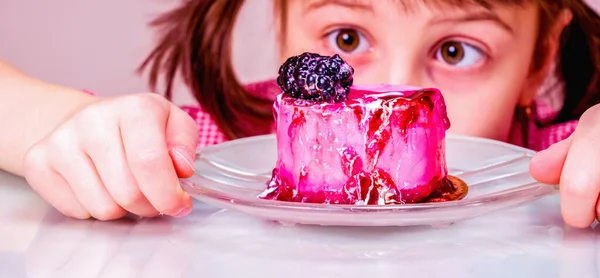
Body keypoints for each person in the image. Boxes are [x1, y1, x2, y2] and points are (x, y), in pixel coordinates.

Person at [0, 0, 599, 228]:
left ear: (539, 55)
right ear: (280, 21)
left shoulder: (563, 163)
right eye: (345, 38)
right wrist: (58, 122)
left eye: (454, 51)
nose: (393, 93)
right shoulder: (213, 149)